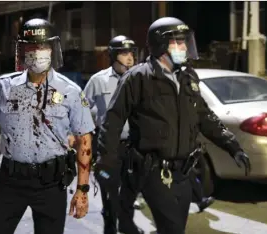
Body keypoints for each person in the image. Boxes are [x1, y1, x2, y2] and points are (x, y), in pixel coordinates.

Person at [94, 17, 251, 234]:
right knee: (172, 229)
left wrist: (232, 145)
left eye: (185, 42)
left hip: (184, 174)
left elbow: (205, 116)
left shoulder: (188, 76)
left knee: (175, 227)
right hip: (155, 172)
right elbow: (112, 122)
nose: (184, 47)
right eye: (178, 42)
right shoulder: (137, 78)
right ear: (160, 45)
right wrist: (106, 162)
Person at [0, 18, 95, 234]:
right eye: (31, 46)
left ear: (53, 49)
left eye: (43, 46)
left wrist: (82, 190)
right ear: (22, 50)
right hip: (10, 181)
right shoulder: (3, 86)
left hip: (52, 185)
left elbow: (84, 141)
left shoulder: (71, 91)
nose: (37, 52)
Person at [84, 35, 143, 234]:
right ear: (113, 56)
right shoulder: (98, 81)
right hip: (109, 147)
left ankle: (127, 226)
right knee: (109, 194)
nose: (129, 58)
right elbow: (82, 109)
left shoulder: (140, 79)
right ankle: (110, 228)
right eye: (124, 53)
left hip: (134, 146)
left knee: (129, 194)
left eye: (131, 54)